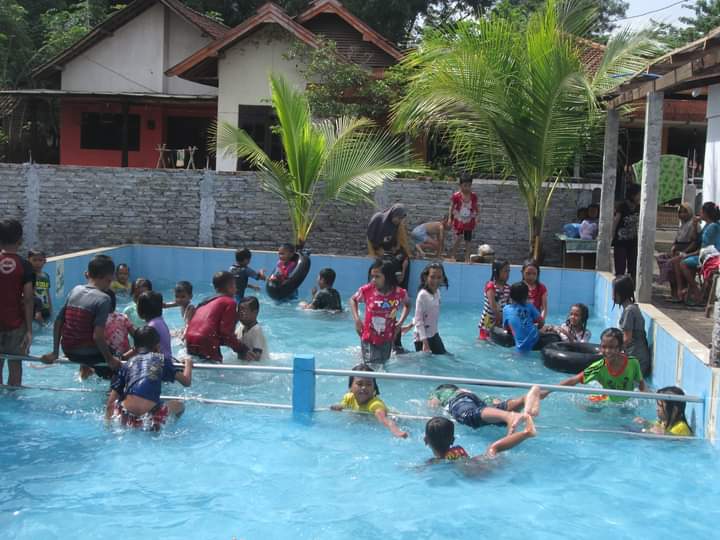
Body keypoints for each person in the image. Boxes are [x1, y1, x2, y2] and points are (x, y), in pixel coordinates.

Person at [41, 255, 121, 379]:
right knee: (118, 367)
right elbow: (97, 336)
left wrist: (55, 352)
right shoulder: (104, 299)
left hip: (68, 350)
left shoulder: (75, 290)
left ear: (88, 274)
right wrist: (110, 359)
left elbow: (58, 322)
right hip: (89, 354)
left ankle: (86, 372)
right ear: (109, 278)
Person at [105, 326, 192, 431]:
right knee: (180, 406)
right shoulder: (159, 360)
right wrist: (188, 363)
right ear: (157, 346)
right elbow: (186, 382)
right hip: (152, 413)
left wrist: (107, 424)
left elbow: (110, 403)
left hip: (126, 413)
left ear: (135, 348)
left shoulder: (127, 365)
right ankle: (161, 427)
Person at [548, 327, 646, 402]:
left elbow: (642, 386)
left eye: (612, 347)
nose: (607, 351)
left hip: (627, 404)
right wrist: (547, 391)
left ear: (620, 347)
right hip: (606, 402)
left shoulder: (632, 363)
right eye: (604, 347)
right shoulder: (599, 367)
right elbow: (574, 380)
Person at [350, 259, 410, 364]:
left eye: (377, 277)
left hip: (388, 338)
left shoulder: (399, 293)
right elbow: (353, 300)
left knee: (383, 365)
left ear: (388, 277)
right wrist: (357, 320)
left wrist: (400, 323)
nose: (373, 280)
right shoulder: (367, 290)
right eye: (372, 276)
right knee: (372, 366)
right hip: (369, 338)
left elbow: (408, 305)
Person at [330, 364, 408, 438]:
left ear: (374, 388)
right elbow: (343, 404)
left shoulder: (375, 404)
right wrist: (338, 407)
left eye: (368, 384)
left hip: (397, 420)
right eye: (359, 384)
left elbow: (383, 418)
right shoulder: (349, 397)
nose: (364, 387)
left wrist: (396, 431)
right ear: (350, 387)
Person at [184, 271, 248, 362]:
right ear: (230, 286)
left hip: (189, 339)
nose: (236, 289)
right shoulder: (230, 302)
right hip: (206, 341)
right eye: (235, 286)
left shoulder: (204, 302)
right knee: (217, 371)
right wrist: (242, 349)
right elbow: (226, 334)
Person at [0, 219, 34, 386]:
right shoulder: (25, 265)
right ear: (20, 240)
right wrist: (29, 330)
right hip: (16, 325)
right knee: (15, 367)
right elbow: (28, 299)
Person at [424, 415, 536, 464]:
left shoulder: (436, 461)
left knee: (495, 448)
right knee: (494, 448)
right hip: (479, 465)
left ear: (426, 440)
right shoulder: (456, 450)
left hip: (479, 473)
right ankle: (514, 431)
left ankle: (527, 432)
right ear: (452, 440)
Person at [673, 201, 720, 305]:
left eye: (701, 211)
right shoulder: (708, 225)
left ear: (706, 213)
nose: (700, 213)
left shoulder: (712, 228)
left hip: (710, 257)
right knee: (677, 261)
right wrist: (694, 225)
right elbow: (695, 239)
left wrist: (687, 255)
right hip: (704, 254)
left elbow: (705, 249)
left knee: (683, 263)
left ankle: (695, 290)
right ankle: (680, 291)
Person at [656, 203, 698, 300]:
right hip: (677, 250)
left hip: (686, 250)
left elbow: (694, 242)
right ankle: (674, 290)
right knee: (661, 258)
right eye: (680, 212)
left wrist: (684, 252)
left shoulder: (693, 224)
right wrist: (674, 246)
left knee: (671, 263)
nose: (682, 215)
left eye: (684, 212)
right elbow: (677, 239)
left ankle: (679, 290)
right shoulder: (683, 224)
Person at [614, 275, 651, 376]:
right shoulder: (632, 308)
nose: (612, 295)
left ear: (620, 293)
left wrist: (612, 352)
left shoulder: (629, 311)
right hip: (638, 356)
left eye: (614, 292)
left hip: (636, 359)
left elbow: (627, 339)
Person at [413, 263, 449, 354]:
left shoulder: (437, 292)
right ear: (426, 277)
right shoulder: (422, 295)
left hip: (434, 334)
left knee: (448, 357)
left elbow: (425, 315)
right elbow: (419, 319)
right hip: (422, 338)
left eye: (439, 277)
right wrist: (425, 343)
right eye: (432, 277)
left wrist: (410, 325)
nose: (435, 280)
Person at [448, 173, 479, 263]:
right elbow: (451, 206)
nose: (467, 188)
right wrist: (450, 218)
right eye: (465, 186)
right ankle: (453, 255)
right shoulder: (456, 195)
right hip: (459, 220)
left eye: (469, 186)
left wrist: (478, 215)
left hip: (469, 219)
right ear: (460, 185)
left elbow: (476, 206)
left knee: (468, 239)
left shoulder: (473, 196)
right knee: (458, 238)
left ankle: (467, 258)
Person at [502, 282, 541, 352]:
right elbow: (541, 321)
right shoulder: (530, 306)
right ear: (526, 296)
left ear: (510, 296)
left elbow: (505, 327)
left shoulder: (506, 309)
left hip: (520, 344)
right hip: (534, 336)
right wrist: (538, 326)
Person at [612, 183, 641, 279]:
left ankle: (631, 289)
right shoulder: (622, 206)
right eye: (639, 194)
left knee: (633, 268)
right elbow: (615, 222)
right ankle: (618, 290)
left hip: (633, 242)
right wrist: (611, 238)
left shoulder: (640, 207)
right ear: (632, 195)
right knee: (620, 268)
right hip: (621, 241)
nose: (640, 197)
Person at [478, 259, 511, 340]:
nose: (508, 274)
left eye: (509, 271)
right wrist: (500, 319)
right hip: (488, 320)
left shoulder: (508, 288)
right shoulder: (491, 286)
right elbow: (493, 306)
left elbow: (509, 305)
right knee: (484, 340)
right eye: (505, 271)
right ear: (496, 271)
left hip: (500, 320)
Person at [137, 291, 172, 360]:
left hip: (159, 364)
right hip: (168, 360)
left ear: (142, 310)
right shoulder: (160, 320)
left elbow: (143, 349)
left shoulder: (151, 327)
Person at [103, 289, 134, 359]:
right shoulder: (122, 317)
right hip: (125, 355)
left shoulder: (97, 321)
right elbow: (136, 336)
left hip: (106, 357)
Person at [235, 296, 267, 361]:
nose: (240, 313)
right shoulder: (241, 327)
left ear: (255, 312)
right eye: (239, 310)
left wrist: (241, 352)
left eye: (243, 310)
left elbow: (256, 358)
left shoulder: (256, 330)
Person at [28, 249, 52, 323]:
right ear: (28, 261)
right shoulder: (28, 276)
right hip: (35, 310)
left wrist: (51, 309)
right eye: (34, 260)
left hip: (45, 308)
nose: (37, 263)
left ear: (45, 261)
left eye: (40, 260)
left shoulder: (46, 276)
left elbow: (47, 293)